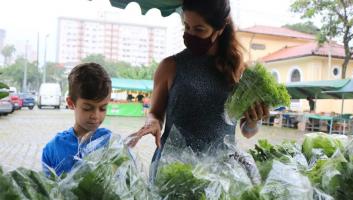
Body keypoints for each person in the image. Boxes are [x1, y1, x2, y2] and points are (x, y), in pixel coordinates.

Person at [127, 0, 269, 178]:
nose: (190, 34)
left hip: (219, 174)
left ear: (221, 28)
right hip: (171, 170)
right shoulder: (169, 66)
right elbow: (155, 113)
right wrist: (153, 122)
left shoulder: (238, 71)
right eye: (186, 26)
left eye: (199, 29)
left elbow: (247, 132)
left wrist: (254, 121)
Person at [41, 62, 112, 176]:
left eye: (103, 108)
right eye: (87, 108)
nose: (96, 115)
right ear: (70, 103)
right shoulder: (53, 148)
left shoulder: (111, 143)